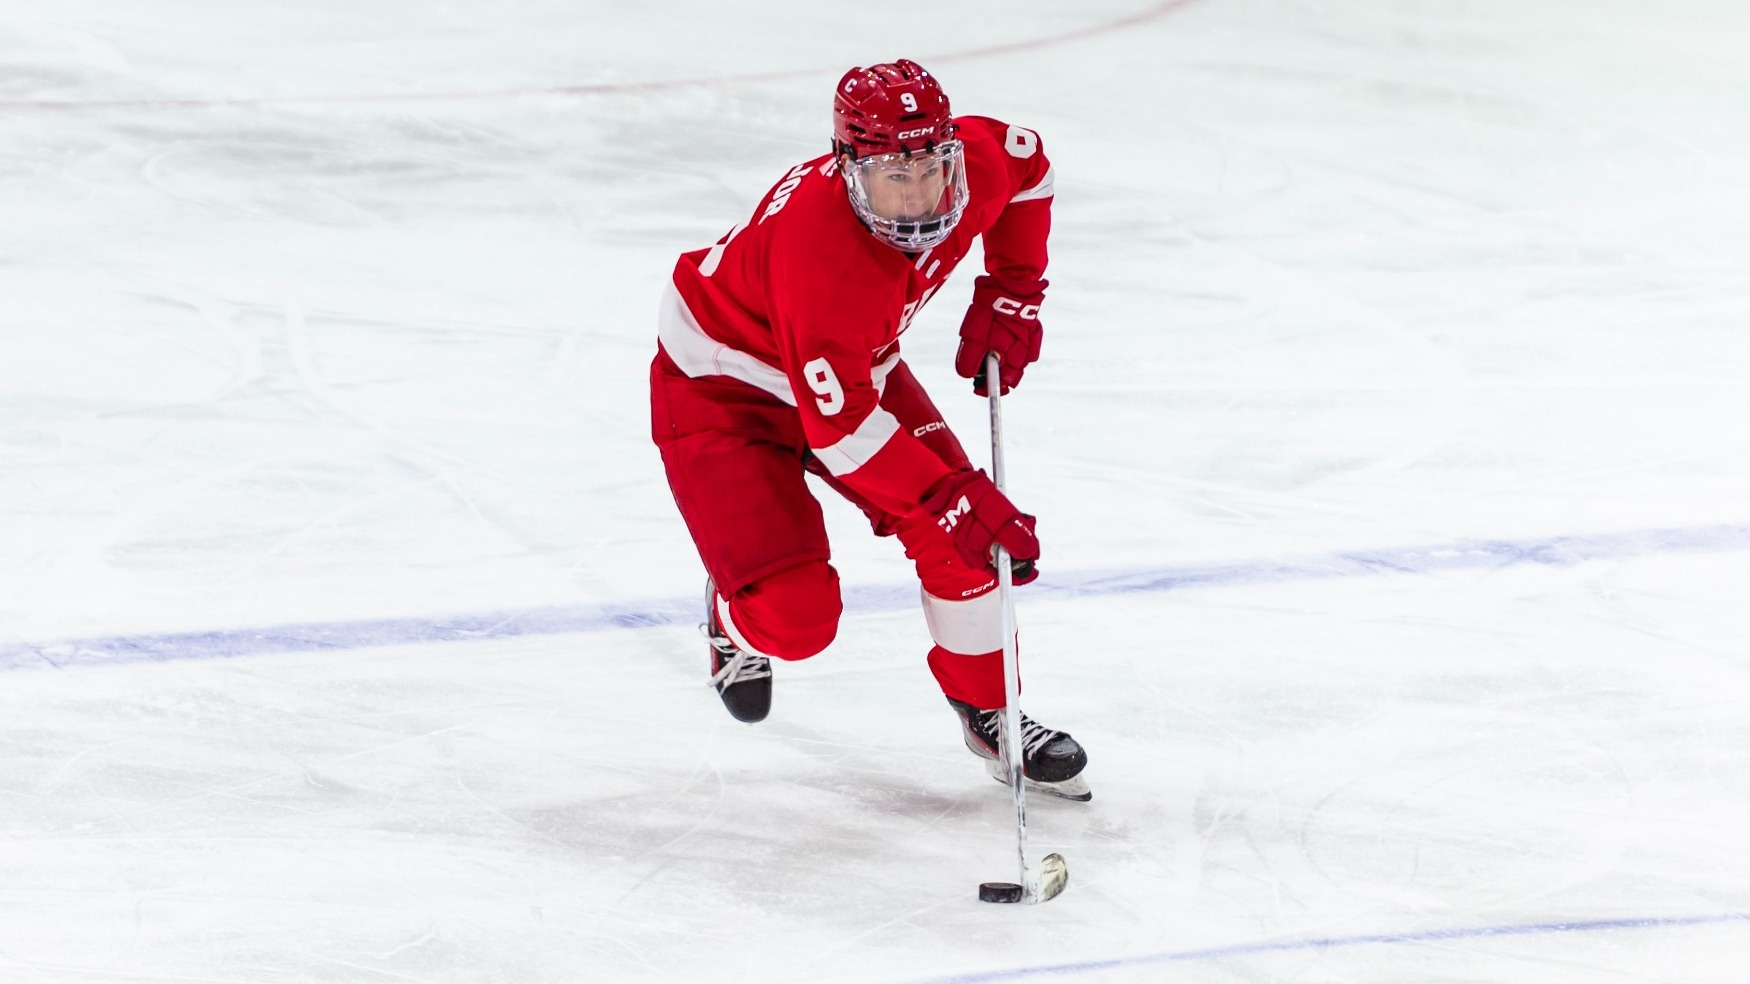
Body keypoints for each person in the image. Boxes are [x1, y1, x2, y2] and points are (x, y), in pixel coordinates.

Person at [649, 59, 1089, 800]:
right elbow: (844, 432)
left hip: (853, 369)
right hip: (724, 390)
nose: (918, 196)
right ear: (847, 166)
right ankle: (735, 610)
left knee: (961, 537)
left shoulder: (972, 168)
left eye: (930, 167)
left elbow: (1028, 162)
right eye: (893, 175)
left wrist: (1015, 289)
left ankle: (990, 712)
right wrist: (955, 494)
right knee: (796, 622)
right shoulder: (822, 259)